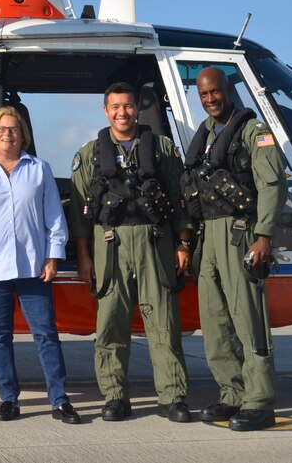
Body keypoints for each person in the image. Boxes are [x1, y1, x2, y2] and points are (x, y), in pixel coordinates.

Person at [69, 82, 193, 423]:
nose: (122, 112)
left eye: (128, 106)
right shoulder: (90, 153)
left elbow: (180, 199)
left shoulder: (162, 149)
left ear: (137, 108)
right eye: (115, 107)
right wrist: (84, 256)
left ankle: (173, 397)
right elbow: (80, 210)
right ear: (106, 110)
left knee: (164, 323)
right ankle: (114, 397)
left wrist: (183, 243)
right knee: (111, 325)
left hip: (156, 243)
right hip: (110, 246)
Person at [0, 106, 81, 424]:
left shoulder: (39, 170)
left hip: (33, 268)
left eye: (13, 129)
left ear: (23, 136)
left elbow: (54, 216)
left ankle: (60, 400)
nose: (7, 134)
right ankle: (9, 399)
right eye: (1, 129)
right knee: (0, 337)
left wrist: (53, 257)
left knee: (46, 335)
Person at [181, 67, 287, 432]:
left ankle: (259, 401)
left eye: (216, 92)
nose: (210, 99)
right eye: (204, 94)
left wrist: (265, 236)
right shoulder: (208, 135)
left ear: (229, 90)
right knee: (215, 321)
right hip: (209, 236)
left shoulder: (254, 133)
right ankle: (232, 393)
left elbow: (272, 186)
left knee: (247, 319)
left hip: (240, 234)